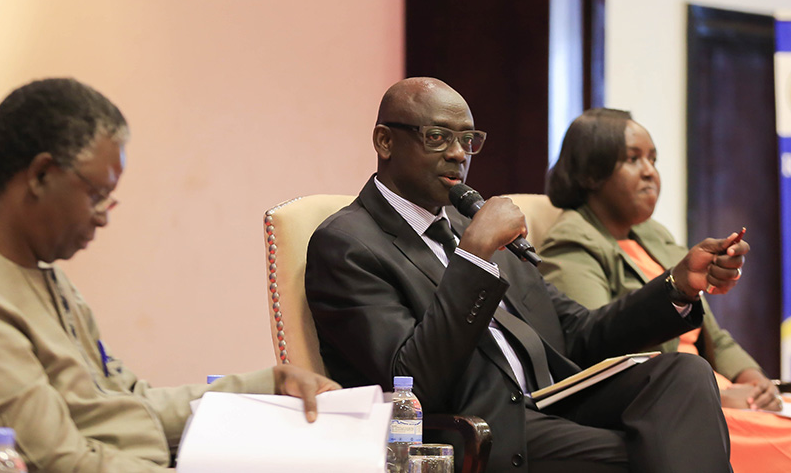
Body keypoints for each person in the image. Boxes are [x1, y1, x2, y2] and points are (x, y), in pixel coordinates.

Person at [305, 77, 749, 473]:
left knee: (685, 375)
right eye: (437, 137)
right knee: (664, 447)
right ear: (385, 141)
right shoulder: (348, 243)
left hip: (553, 400)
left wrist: (677, 285)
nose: (458, 154)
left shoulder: (465, 223)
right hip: (481, 424)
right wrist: (476, 256)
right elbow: (412, 384)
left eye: (468, 139)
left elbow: (577, 332)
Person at [0, 78, 339, 472]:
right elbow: (61, 462)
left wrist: (265, 385)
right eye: (97, 196)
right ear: (41, 174)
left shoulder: (42, 273)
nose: (103, 218)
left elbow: (126, 400)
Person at [539, 107, 791, 473]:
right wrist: (720, 395)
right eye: (633, 159)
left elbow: (712, 337)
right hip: (663, 404)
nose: (650, 172)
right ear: (592, 172)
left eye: (653, 159)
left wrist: (755, 382)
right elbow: (597, 356)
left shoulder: (654, 236)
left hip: (713, 390)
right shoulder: (572, 242)